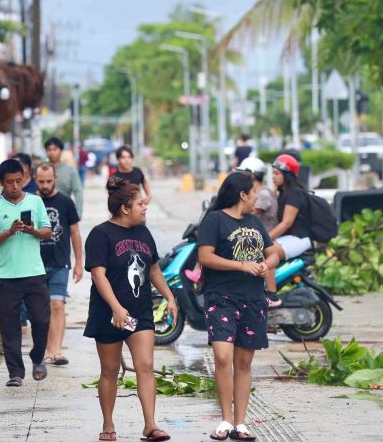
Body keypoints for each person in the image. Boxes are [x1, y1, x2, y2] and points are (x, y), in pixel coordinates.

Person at [84, 177, 177, 442]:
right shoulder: (100, 234)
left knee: (146, 366)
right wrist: (116, 308)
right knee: (110, 370)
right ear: (125, 208)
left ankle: (150, 425)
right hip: (108, 314)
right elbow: (98, 275)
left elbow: (154, 269)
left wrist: (169, 297)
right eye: (140, 203)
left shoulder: (143, 233)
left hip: (140, 312)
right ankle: (108, 425)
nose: (145, 207)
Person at [196, 171, 280, 441]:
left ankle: (241, 423)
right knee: (222, 357)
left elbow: (273, 251)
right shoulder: (214, 219)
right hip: (221, 297)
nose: (257, 197)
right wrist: (241, 265)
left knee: (244, 363)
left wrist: (266, 265)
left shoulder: (255, 221)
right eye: (254, 192)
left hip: (253, 299)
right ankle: (225, 420)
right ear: (242, 194)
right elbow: (205, 256)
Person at [0, 159, 53, 387]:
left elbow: (47, 231)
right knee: (9, 325)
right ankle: (15, 372)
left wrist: (31, 229)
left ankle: (37, 357)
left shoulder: (36, 201)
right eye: (9, 182)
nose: (14, 186)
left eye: (18, 181)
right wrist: (9, 232)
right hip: (7, 276)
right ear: (1, 182)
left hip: (34, 272)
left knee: (41, 320)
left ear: (25, 179)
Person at [34, 163, 83, 366]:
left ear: (55, 178)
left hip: (60, 262)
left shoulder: (65, 202)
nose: (45, 185)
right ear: (35, 180)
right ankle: (47, 351)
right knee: (41, 310)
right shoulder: (31, 202)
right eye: (41, 181)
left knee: (57, 305)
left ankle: (57, 351)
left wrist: (79, 262)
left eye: (49, 181)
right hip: (34, 264)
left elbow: (75, 233)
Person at [236, 157, 282, 307]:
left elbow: (246, 213)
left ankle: (271, 295)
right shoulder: (262, 191)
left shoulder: (261, 194)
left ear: (252, 175)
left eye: (243, 174)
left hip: (263, 237)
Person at [269, 154, 313, 264]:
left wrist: (265, 239)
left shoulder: (295, 194)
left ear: (287, 175)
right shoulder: (284, 193)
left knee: (266, 251)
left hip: (299, 239)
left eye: (277, 173)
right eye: (273, 173)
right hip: (288, 238)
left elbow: (287, 223)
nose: (273, 177)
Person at [44, 137, 84, 217]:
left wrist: (78, 213)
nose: (51, 152)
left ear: (61, 150)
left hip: (65, 212)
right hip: (44, 211)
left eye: (54, 149)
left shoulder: (70, 170)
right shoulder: (41, 169)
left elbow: (78, 191)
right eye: (49, 149)